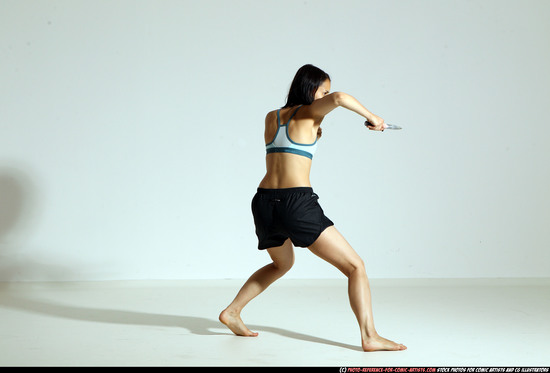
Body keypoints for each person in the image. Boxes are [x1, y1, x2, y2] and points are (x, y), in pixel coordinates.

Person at [219, 64, 407, 352]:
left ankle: (232, 311)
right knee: (356, 267)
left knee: (282, 263)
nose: (326, 96)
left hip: (264, 201)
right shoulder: (310, 113)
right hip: (296, 202)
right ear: (311, 90)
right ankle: (370, 336)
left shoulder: (272, 117)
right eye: (323, 91)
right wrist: (373, 117)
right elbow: (342, 98)